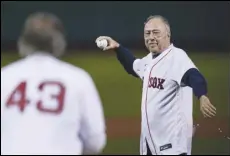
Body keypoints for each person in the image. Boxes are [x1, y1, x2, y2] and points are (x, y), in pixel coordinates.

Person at [95, 15, 216, 155]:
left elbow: (194, 76)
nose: (151, 37)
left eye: (156, 32)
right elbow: (133, 66)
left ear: (168, 35)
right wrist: (117, 47)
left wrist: (201, 95)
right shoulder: (149, 61)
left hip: (172, 146)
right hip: (151, 143)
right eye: (147, 33)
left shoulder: (177, 57)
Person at [1, 12, 106, 155]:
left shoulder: (4, 76)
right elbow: (95, 142)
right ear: (58, 42)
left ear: (23, 41)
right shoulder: (78, 78)